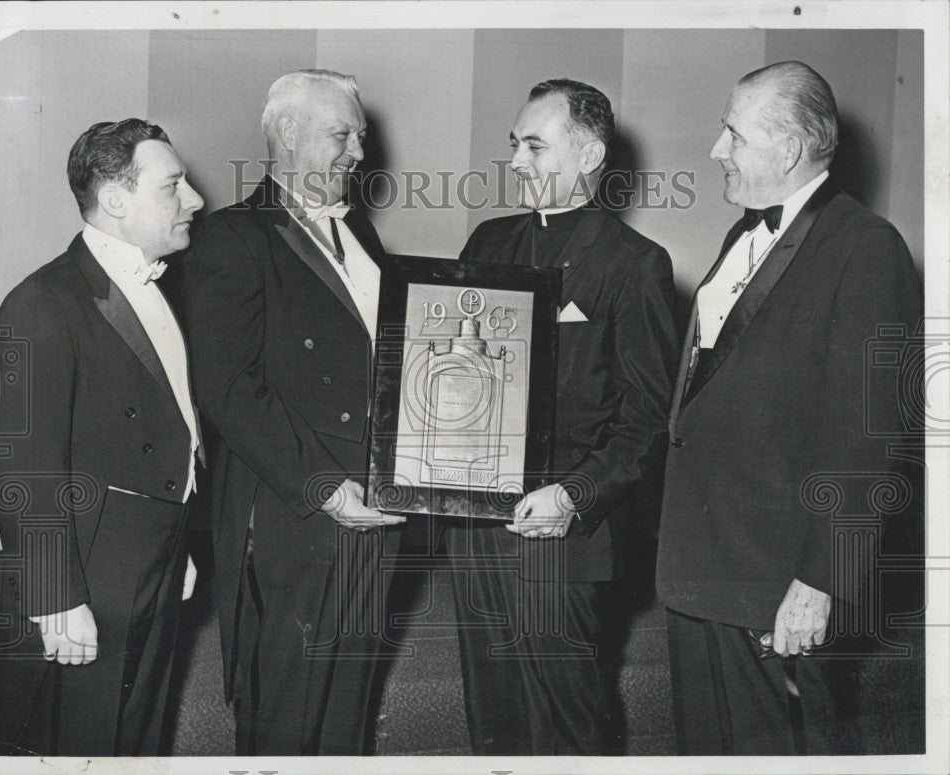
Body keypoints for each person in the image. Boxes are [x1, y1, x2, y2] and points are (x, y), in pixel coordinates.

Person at [656, 61, 923, 755]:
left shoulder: (866, 248)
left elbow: (868, 436)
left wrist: (821, 580)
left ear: (790, 149)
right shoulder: (740, 239)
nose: (716, 149)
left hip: (776, 581)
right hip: (703, 568)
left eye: (733, 135)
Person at [444, 79, 679, 754]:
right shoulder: (487, 240)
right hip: (474, 524)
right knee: (491, 719)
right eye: (514, 144)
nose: (516, 161)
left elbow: (648, 418)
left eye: (535, 145)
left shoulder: (636, 265)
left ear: (588, 155)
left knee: (567, 725)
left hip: (563, 533)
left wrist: (574, 495)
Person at [181, 69, 404, 755]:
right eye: (343, 135)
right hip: (295, 512)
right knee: (288, 710)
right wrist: (322, 486)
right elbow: (227, 389)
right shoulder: (231, 237)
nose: (358, 153)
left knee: (348, 700)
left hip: (374, 506)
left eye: (360, 137)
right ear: (287, 133)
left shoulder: (357, 232)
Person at [0, 119, 205, 756]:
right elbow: (23, 464)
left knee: (137, 733)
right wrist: (56, 599)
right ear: (115, 200)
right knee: (76, 738)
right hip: (89, 567)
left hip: (154, 551)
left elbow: (172, 426)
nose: (192, 199)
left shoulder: (164, 285)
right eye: (173, 186)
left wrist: (176, 543)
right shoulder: (42, 300)